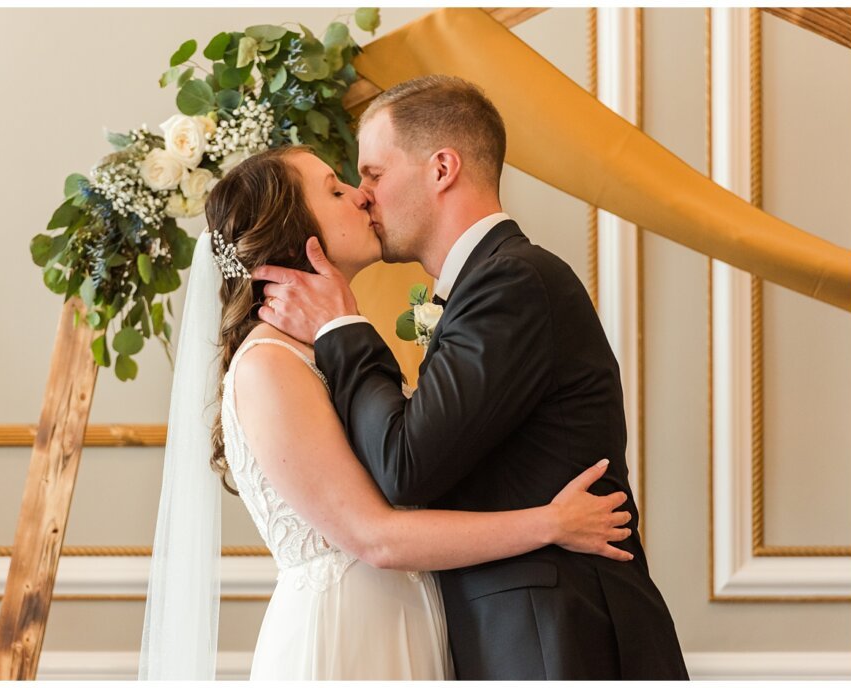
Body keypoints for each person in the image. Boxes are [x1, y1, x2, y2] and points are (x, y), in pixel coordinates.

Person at [138, 145, 636, 680]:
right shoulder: (268, 366)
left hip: (404, 621)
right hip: (342, 639)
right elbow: (376, 536)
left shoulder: (332, 348)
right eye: (335, 190)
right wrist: (549, 523)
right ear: (293, 232)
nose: (360, 195)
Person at [252, 76, 689, 680]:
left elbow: (408, 466)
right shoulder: (483, 286)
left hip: (551, 634)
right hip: (519, 627)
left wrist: (342, 326)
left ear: (442, 168)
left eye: (374, 174)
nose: (363, 196)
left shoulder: (511, 281)